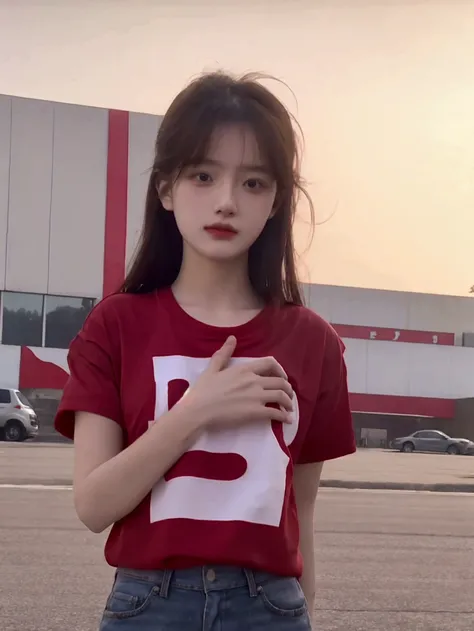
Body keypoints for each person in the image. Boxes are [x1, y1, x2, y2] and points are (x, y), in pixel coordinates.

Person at [54, 71, 356, 631]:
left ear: (275, 202)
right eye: (203, 174)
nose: (225, 201)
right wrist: (195, 412)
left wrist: (302, 611)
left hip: (270, 606)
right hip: (147, 604)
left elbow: (303, 512)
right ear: (166, 188)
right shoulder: (115, 325)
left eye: (254, 182)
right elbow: (94, 506)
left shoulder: (312, 342)